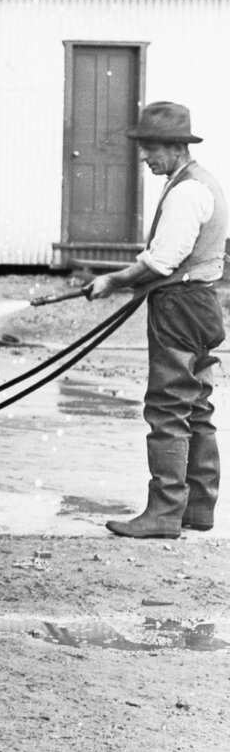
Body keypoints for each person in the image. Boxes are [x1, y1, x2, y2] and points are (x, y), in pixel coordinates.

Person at [87, 102, 225, 538]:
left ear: (176, 146)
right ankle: (197, 508)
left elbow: (163, 261)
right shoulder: (201, 182)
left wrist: (114, 280)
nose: (144, 157)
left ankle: (163, 513)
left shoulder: (185, 192)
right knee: (196, 406)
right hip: (200, 304)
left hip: (179, 307)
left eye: (151, 148)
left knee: (168, 408)